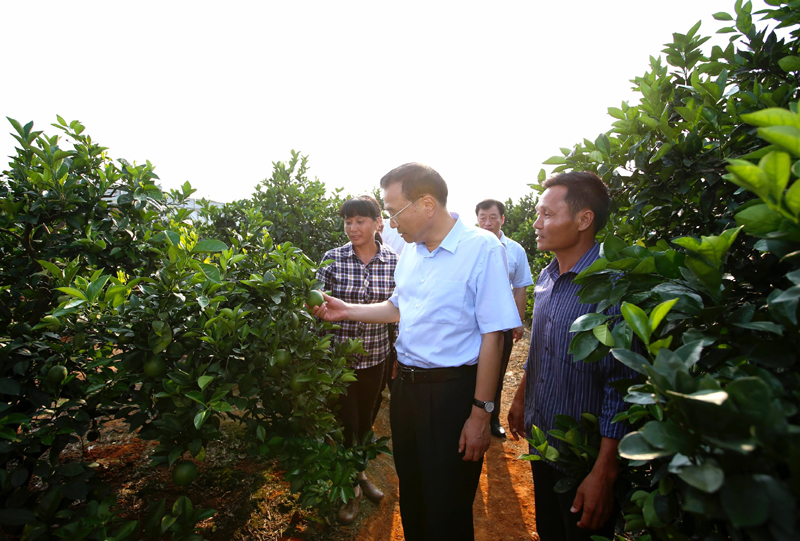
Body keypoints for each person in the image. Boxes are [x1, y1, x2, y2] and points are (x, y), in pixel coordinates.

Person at [312, 163, 520, 541]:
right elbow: (398, 306)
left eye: (394, 212)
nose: (390, 224)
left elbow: (494, 335)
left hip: (452, 394)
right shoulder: (410, 251)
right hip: (406, 390)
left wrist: (480, 413)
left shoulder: (480, 249)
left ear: (426, 203)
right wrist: (347, 309)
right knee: (414, 495)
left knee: (447, 504)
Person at [507, 171, 636, 540]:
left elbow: (621, 384)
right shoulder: (547, 278)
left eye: (547, 214)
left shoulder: (609, 287)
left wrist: (604, 471)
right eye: (537, 213)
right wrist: (521, 397)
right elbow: (542, 347)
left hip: (586, 456)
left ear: (584, 220)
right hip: (544, 441)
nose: (536, 224)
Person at [316, 195, 399, 525]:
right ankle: (351, 487)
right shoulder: (333, 260)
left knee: (366, 420)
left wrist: (396, 355)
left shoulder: (393, 261)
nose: (352, 227)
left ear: (378, 223)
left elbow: (397, 312)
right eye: (347, 221)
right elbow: (315, 308)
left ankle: (360, 472)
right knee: (345, 423)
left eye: (360, 221)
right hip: (339, 363)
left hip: (376, 359)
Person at [475, 199, 533, 438]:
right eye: (482, 217)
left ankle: (492, 418)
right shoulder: (470, 246)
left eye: (493, 217)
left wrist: (517, 321)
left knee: (496, 373)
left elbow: (520, 288)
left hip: (501, 325)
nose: (487, 223)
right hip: (473, 324)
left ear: (502, 219)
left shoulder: (516, 250)